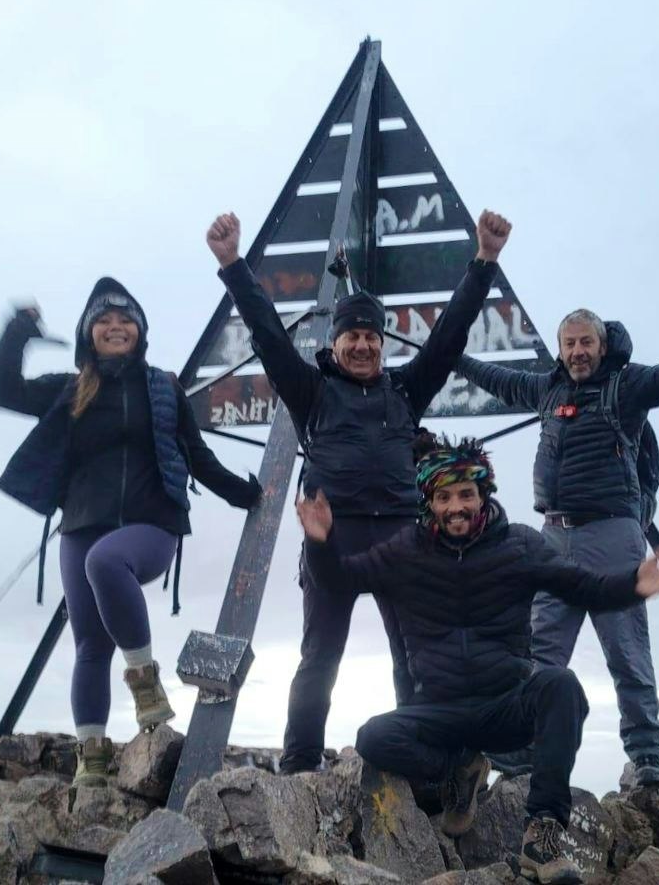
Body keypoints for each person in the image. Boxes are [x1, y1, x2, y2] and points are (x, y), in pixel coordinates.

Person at [206, 209, 511, 774]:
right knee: (320, 656)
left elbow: (447, 339)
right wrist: (233, 266)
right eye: (353, 337)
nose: (365, 346)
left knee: (415, 657)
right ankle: (299, 765)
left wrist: (483, 263)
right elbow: (269, 336)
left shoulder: (406, 390)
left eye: (372, 336)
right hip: (334, 536)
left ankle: (426, 763)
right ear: (337, 342)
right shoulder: (311, 392)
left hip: (401, 536)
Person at [296, 434, 659, 882]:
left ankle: (544, 836)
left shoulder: (519, 544)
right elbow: (341, 580)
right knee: (374, 737)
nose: (455, 506)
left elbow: (583, 586)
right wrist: (320, 542)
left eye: (465, 494)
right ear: (429, 502)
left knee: (561, 686)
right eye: (444, 497)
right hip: (437, 710)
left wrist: (633, 584)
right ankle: (458, 773)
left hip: (505, 702)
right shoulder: (405, 550)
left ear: (483, 496)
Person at [0, 277, 261, 787]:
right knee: (90, 645)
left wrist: (245, 494)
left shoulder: (163, 387)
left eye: (124, 320)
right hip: (81, 528)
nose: (115, 327)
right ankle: (91, 757)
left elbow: (196, 456)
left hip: (151, 525)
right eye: (104, 321)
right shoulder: (71, 391)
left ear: (140, 331)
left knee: (105, 563)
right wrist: (19, 329)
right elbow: (0, 390)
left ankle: (145, 683)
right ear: (89, 333)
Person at [457, 274, 659, 785]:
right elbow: (493, 378)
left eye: (587, 342)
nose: (578, 352)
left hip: (612, 536)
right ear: (560, 350)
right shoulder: (547, 388)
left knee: (626, 649)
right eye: (570, 343)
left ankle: (647, 755)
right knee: (537, 651)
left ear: (602, 347)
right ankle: (520, 749)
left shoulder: (627, 388)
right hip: (553, 538)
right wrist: (450, 350)